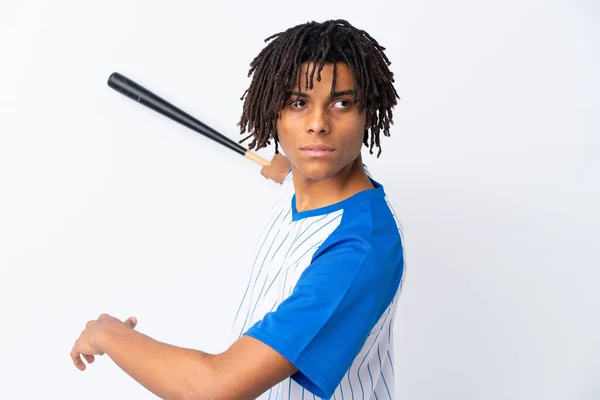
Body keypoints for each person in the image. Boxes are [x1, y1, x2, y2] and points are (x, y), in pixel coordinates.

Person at [71, 19, 405, 400]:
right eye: (298, 103)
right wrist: (283, 170)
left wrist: (107, 333)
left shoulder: (360, 249)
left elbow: (215, 388)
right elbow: (290, 172)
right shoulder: (300, 183)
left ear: (369, 113)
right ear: (273, 112)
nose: (317, 125)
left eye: (342, 103)